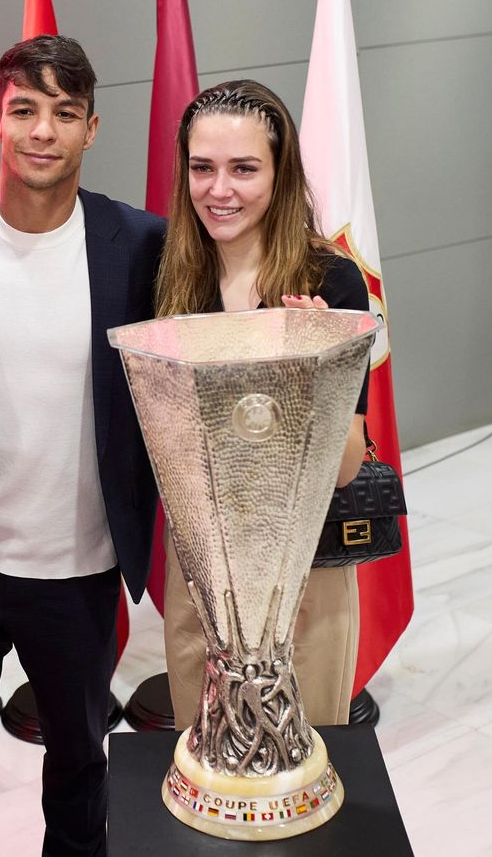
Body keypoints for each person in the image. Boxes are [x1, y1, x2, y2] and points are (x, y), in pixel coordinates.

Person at [0, 35, 163, 857]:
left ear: (93, 129)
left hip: (79, 565)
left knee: (80, 759)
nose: (43, 131)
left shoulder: (142, 246)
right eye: (25, 110)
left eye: (64, 114)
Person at [156, 79, 371, 730]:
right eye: (203, 168)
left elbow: (345, 469)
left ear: (281, 176)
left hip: (303, 563)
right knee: (205, 756)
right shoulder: (172, 278)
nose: (219, 190)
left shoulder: (330, 279)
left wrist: (314, 370)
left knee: (305, 763)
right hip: (200, 565)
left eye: (244, 169)